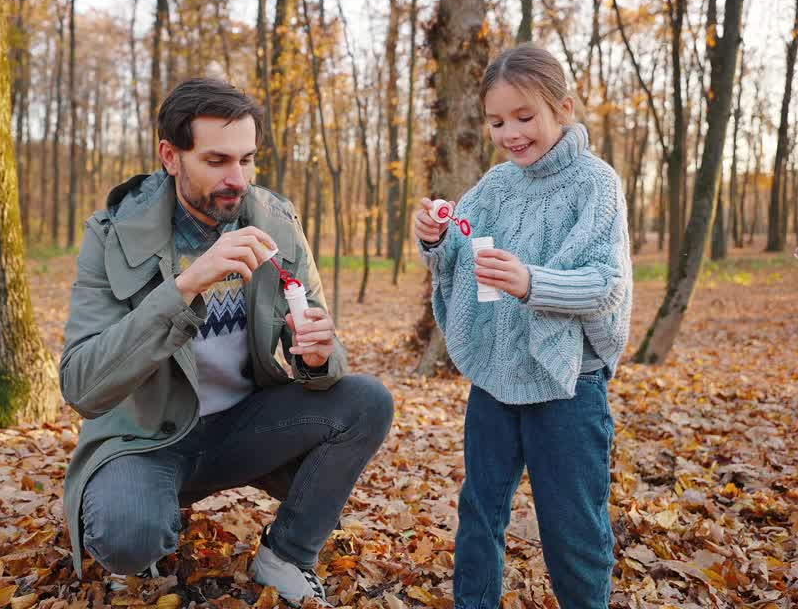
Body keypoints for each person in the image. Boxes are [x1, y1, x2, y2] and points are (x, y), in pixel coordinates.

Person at [60, 77, 394, 604]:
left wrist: (317, 353)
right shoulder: (111, 232)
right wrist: (188, 284)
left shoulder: (277, 222)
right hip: (146, 437)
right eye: (216, 161)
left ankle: (287, 554)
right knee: (128, 537)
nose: (237, 180)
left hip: (244, 427)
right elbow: (81, 385)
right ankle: (146, 518)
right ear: (171, 157)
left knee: (368, 400)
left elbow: (324, 345)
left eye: (247, 160)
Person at [414, 44, 633, 609]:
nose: (510, 133)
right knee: (480, 511)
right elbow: (465, 256)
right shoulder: (494, 186)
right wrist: (438, 238)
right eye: (495, 121)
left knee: (573, 526)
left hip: (567, 384)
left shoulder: (595, 184)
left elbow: (606, 283)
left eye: (524, 116)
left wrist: (532, 282)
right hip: (495, 379)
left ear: (563, 107)